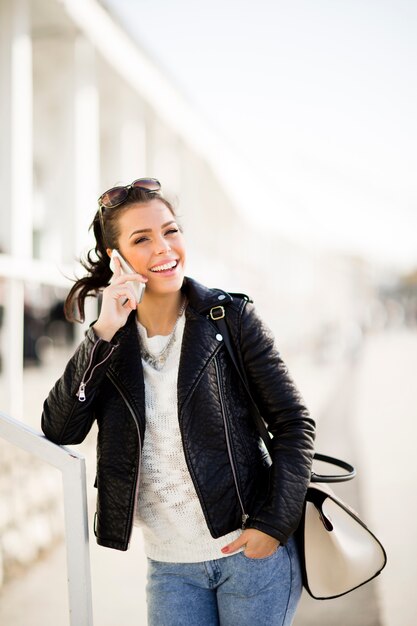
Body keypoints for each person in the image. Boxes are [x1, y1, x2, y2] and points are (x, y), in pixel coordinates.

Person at [41, 178, 315, 626]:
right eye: (142, 239)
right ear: (117, 258)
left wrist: (273, 524)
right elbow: (60, 429)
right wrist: (103, 331)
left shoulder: (230, 319)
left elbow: (294, 423)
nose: (164, 248)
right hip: (170, 567)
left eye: (170, 231)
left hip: (251, 556)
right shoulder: (110, 342)